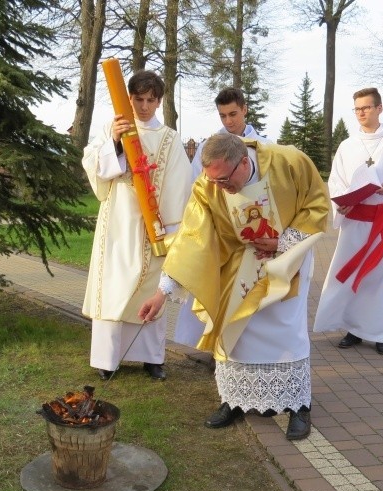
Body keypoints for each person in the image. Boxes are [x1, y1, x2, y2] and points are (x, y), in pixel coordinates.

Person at [139, 133, 329, 441]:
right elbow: (191, 240)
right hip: (239, 266)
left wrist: (282, 241)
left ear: (244, 162)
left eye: (225, 180)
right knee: (235, 333)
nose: (220, 188)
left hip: (286, 261)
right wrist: (163, 292)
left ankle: (298, 405)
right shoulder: (207, 186)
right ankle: (235, 400)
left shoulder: (288, 161)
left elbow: (317, 204)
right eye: (214, 181)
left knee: (287, 332)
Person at [82, 70, 192, 381]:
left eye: (150, 100)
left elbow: (179, 182)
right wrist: (115, 142)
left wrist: (166, 226)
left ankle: (152, 358)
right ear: (128, 98)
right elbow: (92, 164)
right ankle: (107, 359)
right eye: (138, 99)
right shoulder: (113, 127)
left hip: (152, 223)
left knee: (150, 285)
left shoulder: (170, 138)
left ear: (159, 101)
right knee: (113, 286)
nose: (144, 106)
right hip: (117, 220)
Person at [313, 87, 383, 355]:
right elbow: (335, 180)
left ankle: (380, 333)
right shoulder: (347, 145)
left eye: (367, 107)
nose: (361, 113)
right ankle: (352, 329)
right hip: (355, 219)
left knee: (381, 276)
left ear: (379, 108)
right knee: (350, 272)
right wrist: (342, 203)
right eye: (357, 109)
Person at [175, 87, 272, 347]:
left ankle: (245, 345)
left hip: (254, 228)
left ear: (244, 110)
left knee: (249, 291)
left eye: (233, 114)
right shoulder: (209, 146)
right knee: (218, 289)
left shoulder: (265, 146)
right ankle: (213, 343)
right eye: (222, 116)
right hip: (220, 228)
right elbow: (197, 186)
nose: (228, 121)